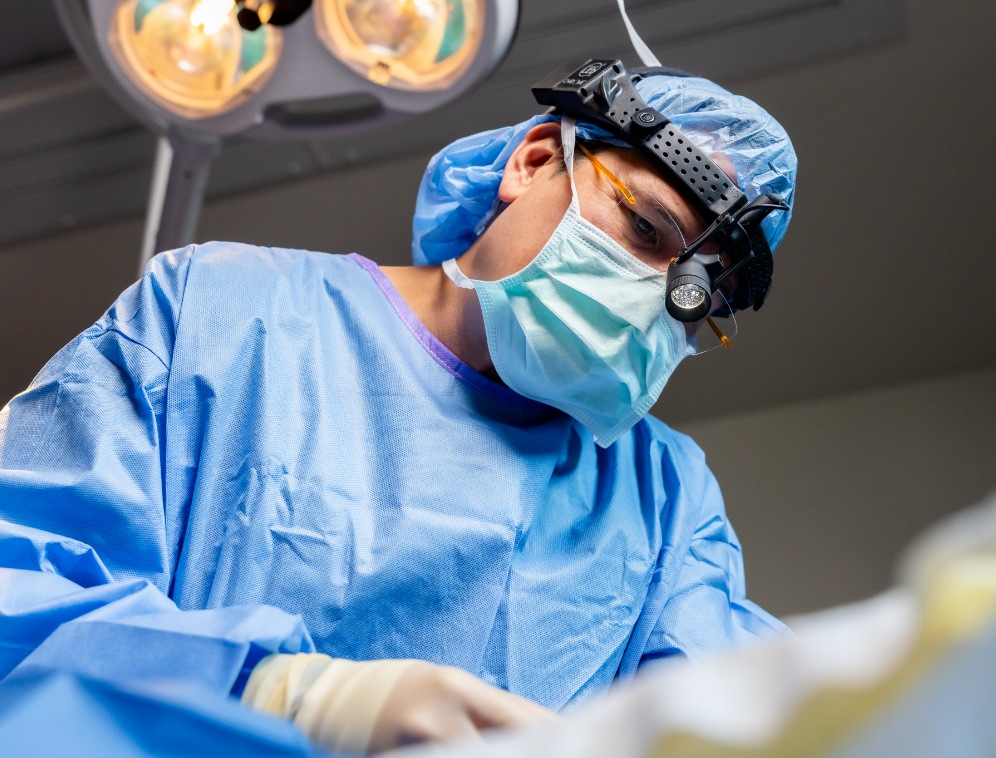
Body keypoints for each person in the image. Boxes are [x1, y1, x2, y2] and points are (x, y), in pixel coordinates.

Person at [0, 65, 796, 755]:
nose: (656, 297)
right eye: (646, 229)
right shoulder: (220, 312)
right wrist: (280, 694)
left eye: (698, 297)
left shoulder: (664, 498)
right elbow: (21, 591)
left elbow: (730, 724)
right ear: (536, 159)